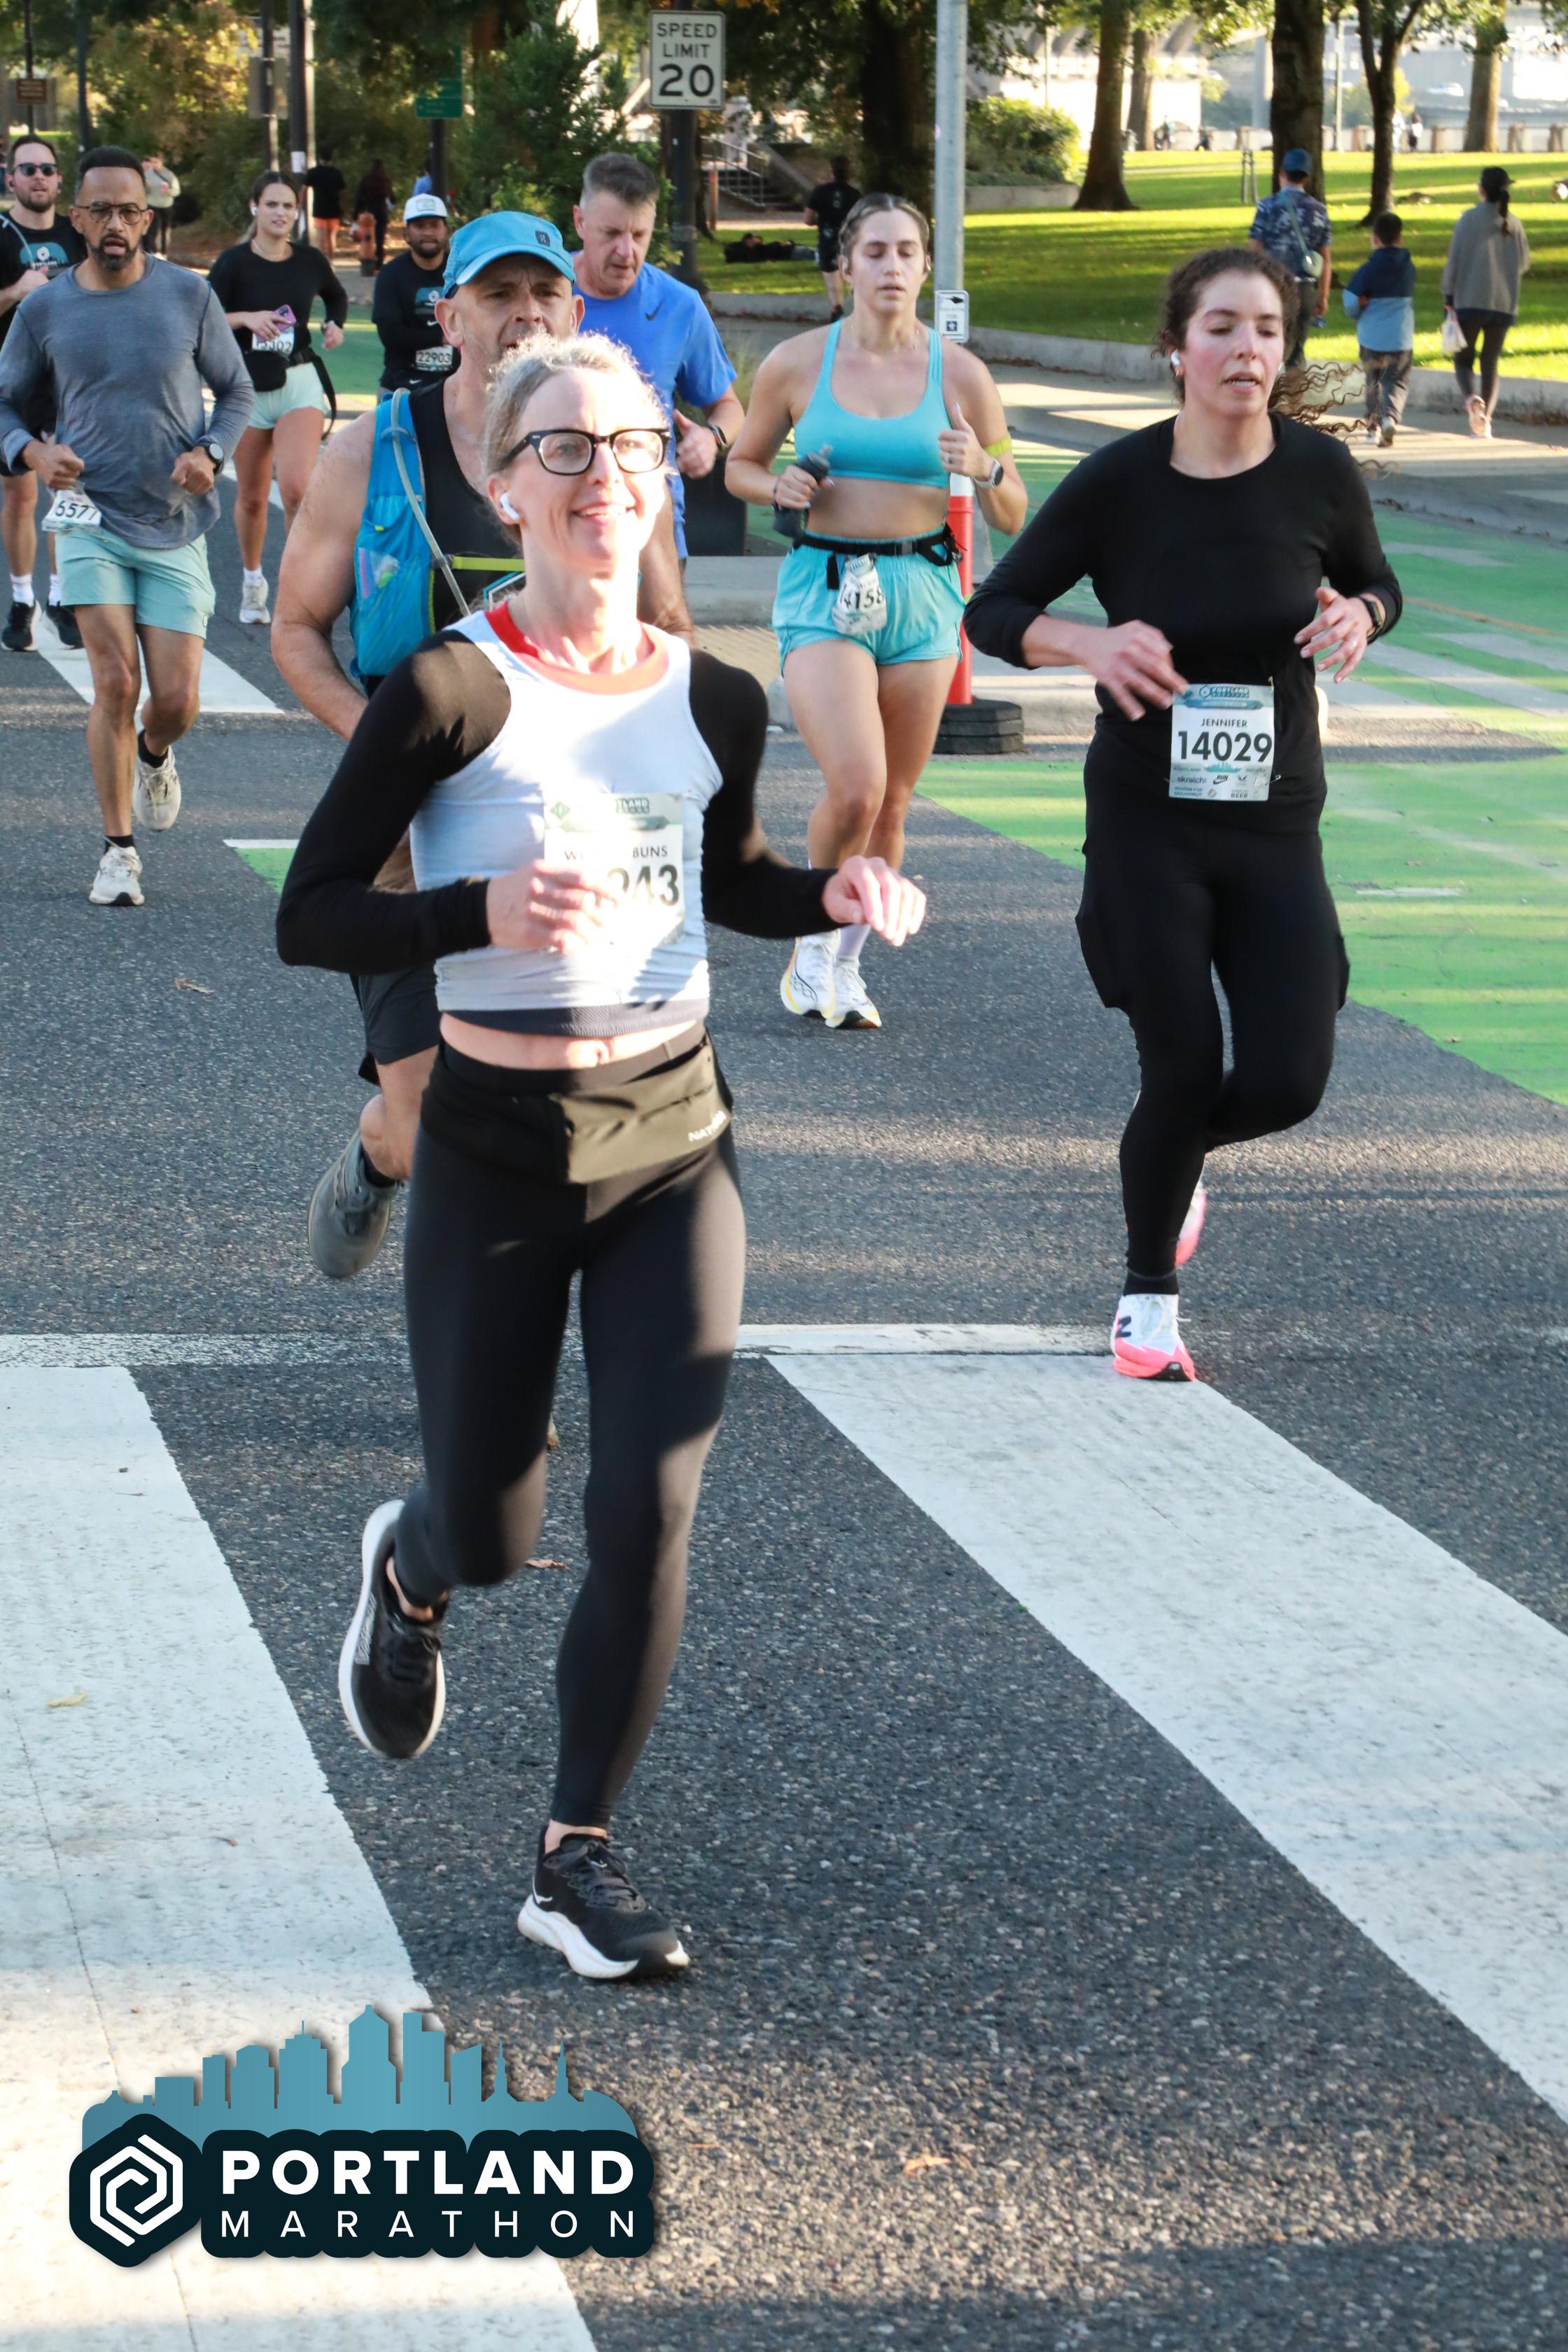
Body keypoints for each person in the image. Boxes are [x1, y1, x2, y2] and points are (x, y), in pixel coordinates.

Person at [275, 332, 925, 1980]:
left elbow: (738, 876)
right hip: (494, 1152)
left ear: (666, 479)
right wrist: (472, 912)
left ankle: (575, 1854)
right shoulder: (447, 692)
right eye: (560, 450)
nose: (602, 477)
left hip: (671, 1147)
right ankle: (411, 1568)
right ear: (506, 488)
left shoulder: (712, 698)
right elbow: (310, 912)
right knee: (494, 1530)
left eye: (630, 446)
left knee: (648, 1503)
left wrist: (833, 892)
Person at [966, 246, 1401, 1382]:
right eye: (1221, 327)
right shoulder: (1120, 483)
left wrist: (1360, 615)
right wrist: (1089, 642)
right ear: (1177, 348)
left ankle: (1174, 1157)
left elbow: (1377, 581)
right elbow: (995, 609)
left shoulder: (1318, 474)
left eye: (1266, 329)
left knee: (1289, 1079)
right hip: (1147, 822)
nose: (1246, 348)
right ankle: (1147, 1300)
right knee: (1182, 1062)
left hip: (1274, 821)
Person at [274, 211, 693, 1280]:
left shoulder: (611, 460)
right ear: (448, 314)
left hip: (568, 826)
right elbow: (295, 629)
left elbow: (667, 628)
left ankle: (525, 1322)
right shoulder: (368, 452)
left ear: (574, 310)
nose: (525, 316)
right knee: (424, 1124)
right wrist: (383, 744)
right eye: (498, 296)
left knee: (569, 1092)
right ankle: (379, 1156)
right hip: (408, 839)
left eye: (545, 294)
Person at [726, 191, 1026, 1029]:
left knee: (893, 800)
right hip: (825, 585)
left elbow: (1012, 511)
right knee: (856, 787)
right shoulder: (795, 364)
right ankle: (811, 936)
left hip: (922, 590)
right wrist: (779, 485)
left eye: (906, 252)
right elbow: (740, 467)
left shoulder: (960, 375)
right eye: (875, 252)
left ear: (925, 268)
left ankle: (847, 964)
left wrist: (983, 467)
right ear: (845, 266)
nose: (891, 266)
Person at [0, 147, 252, 908]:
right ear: (77, 219)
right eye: (101, 210)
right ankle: (118, 853)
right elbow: (5, 403)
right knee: (114, 680)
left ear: (147, 219)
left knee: (175, 702)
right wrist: (34, 452)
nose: (116, 223)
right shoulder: (45, 310)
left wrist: (211, 452)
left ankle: (153, 750)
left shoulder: (189, 295)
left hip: (174, 520)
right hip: (88, 518)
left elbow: (236, 391)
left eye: (129, 211)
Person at [571, 152, 745, 569]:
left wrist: (712, 438)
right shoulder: (544, 295)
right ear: (580, 223)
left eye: (639, 234)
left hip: (652, 530)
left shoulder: (679, 305)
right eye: (611, 233)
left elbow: (729, 407)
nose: (626, 250)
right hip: (559, 527)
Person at [209, 172, 346, 626]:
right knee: (251, 497)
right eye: (272, 204)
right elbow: (205, 318)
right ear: (255, 208)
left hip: (299, 381)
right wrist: (246, 318)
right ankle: (253, 582)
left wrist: (334, 325)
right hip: (246, 386)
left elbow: (336, 297)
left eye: (288, 206)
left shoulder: (309, 260)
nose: (281, 213)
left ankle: (295, 589)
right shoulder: (232, 263)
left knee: (295, 488)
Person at [0, 134, 88, 652]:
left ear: (59, 180)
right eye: (28, 168)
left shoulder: (77, 235)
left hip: (66, 383)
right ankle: (21, 600)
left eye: (47, 169)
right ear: (11, 178)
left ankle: (60, 596)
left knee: (65, 491)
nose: (39, 177)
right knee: (19, 496)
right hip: (11, 385)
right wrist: (17, 291)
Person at [1442, 167, 1531, 440]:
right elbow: (1524, 263)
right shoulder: (1513, 224)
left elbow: (1454, 261)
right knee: (1490, 362)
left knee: (1463, 359)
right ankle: (1486, 422)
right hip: (1503, 304)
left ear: (1481, 189)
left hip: (1469, 300)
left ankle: (1472, 400)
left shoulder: (1468, 219)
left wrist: (1448, 296)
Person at [1247, 147, 1330, 366]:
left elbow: (1253, 249)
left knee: (1268, 349)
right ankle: (1294, 386)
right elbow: (1325, 258)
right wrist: (1323, 294)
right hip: (1304, 289)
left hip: (1272, 288)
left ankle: (1268, 387)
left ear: (1282, 172)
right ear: (1307, 178)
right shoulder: (1320, 211)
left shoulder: (1267, 206)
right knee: (1296, 352)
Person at [1345, 212, 1415, 447]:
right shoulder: (1409, 268)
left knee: (1373, 381)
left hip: (1371, 336)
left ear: (1375, 239)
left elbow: (1350, 301)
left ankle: (1372, 428)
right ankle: (1390, 419)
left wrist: (1359, 308)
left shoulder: (1368, 269)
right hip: (1400, 337)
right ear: (1400, 239)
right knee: (1397, 381)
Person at [372, 195, 453, 397]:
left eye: (434, 225)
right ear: (406, 233)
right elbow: (391, 335)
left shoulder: (464, 273)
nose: (428, 232)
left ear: (446, 230)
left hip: (458, 386)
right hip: (400, 385)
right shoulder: (390, 274)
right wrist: (444, 337)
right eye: (419, 226)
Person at [803, 154, 860, 321]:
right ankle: (860, 313)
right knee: (852, 276)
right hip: (849, 242)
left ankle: (837, 311)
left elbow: (807, 219)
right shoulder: (855, 195)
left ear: (831, 171)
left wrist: (821, 221)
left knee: (832, 280)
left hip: (827, 240)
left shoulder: (820, 192)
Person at [354, 158, 396, 272]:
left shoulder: (366, 180)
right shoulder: (386, 181)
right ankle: (379, 265)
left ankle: (368, 262)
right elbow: (393, 198)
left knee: (368, 239)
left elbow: (359, 199)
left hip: (369, 213)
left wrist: (356, 215)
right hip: (382, 212)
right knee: (380, 240)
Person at [305, 151, 348, 258]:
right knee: (332, 237)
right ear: (331, 160)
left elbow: (303, 189)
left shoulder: (313, 172)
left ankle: (322, 262)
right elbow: (343, 193)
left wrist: (300, 205)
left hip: (319, 209)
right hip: (334, 210)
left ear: (320, 159)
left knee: (321, 238)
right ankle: (331, 260)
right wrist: (345, 208)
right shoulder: (337, 173)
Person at [141, 152, 179, 256]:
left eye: (156, 162)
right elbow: (144, 191)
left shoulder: (169, 175)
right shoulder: (148, 175)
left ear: (161, 162)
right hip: (152, 204)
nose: (154, 165)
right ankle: (154, 251)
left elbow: (177, 191)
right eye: (152, 162)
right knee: (153, 229)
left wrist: (168, 192)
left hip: (166, 205)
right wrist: (147, 188)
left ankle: (164, 252)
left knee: (165, 230)